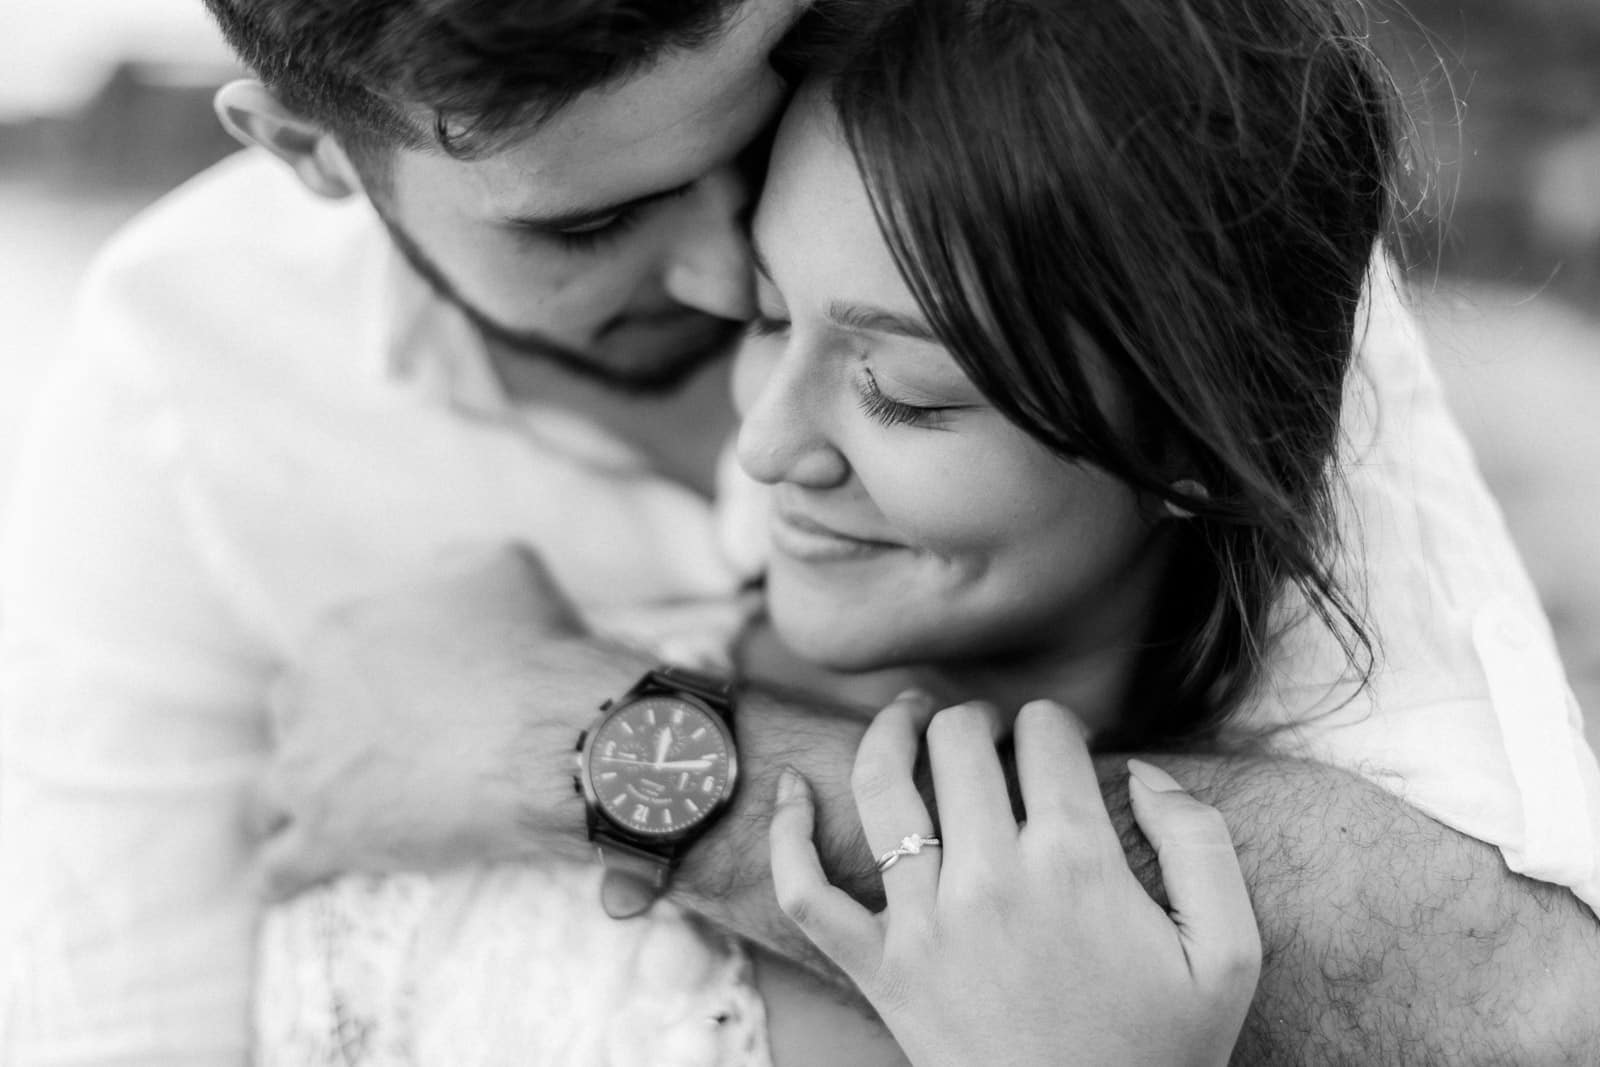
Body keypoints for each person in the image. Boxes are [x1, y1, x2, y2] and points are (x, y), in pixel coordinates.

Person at [0, 0, 1596, 1063]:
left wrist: (579, 751)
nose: (720, 310)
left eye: (751, 140)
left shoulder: (1120, 174)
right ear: (304, 153)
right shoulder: (167, 432)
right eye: (592, 221)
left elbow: (1530, 995)